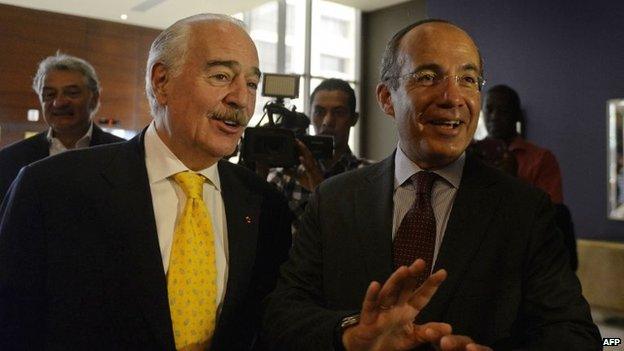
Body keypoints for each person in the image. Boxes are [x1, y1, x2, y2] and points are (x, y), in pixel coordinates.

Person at [261, 19, 600, 350]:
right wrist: (351, 334)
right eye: (427, 76)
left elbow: (575, 335)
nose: (453, 97)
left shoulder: (525, 210)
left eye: (468, 79)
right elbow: (282, 316)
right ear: (386, 98)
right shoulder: (333, 200)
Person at [0, 14, 292, 350]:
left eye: (252, 84)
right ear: (162, 81)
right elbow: (11, 325)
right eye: (221, 76)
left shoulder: (265, 204)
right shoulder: (50, 188)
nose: (241, 99)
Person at [0, 53, 124, 203]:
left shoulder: (122, 155)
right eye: (49, 94)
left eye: (71, 93)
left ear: (94, 99)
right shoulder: (10, 159)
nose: (59, 103)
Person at [267, 78, 372, 232]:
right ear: (310, 117)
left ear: (353, 119)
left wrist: (316, 179)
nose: (327, 121)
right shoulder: (284, 175)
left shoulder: (369, 176)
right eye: (319, 112)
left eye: (339, 113)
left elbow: (354, 238)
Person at [483, 84, 563, 204]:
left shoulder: (541, 159)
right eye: (489, 109)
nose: (494, 116)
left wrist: (514, 180)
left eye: (503, 110)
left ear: (517, 116)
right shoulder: (471, 154)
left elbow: (551, 215)